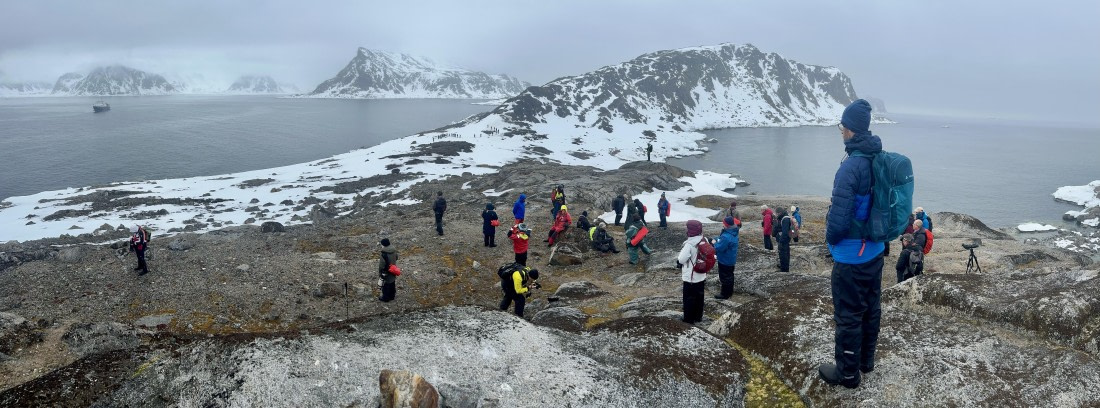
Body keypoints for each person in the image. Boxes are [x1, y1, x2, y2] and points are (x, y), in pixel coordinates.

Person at [818, 99, 887, 389]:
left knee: (848, 316)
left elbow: (839, 219)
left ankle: (847, 375)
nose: (840, 131)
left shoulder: (851, 167)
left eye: (842, 126)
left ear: (850, 130)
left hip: (851, 256)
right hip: (875, 250)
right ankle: (865, 362)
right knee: (871, 308)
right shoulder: (878, 159)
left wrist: (830, 240)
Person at [676, 220, 707, 323]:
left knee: (689, 298)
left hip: (690, 277)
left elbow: (681, 259)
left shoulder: (689, 244)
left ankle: (688, 319)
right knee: (699, 297)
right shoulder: (704, 239)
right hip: (701, 275)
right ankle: (698, 317)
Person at [713, 216, 740, 299]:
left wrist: (714, 243)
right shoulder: (733, 232)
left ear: (726, 224)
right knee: (730, 276)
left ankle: (724, 294)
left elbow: (719, 248)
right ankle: (729, 292)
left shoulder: (726, 236)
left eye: (723, 223)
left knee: (724, 277)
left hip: (725, 260)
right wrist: (718, 239)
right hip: (731, 259)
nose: (722, 224)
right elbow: (723, 240)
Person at [776, 207, 792, 272]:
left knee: (784, 254)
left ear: (779, 212)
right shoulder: (786, 217)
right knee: (785, 253)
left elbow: (785, 232)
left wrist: (781, 241)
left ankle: (784, 269)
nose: (776, 215)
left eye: (777, 213)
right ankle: (784, 267)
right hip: (786, 240)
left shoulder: (785, 219)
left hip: (784, 240)